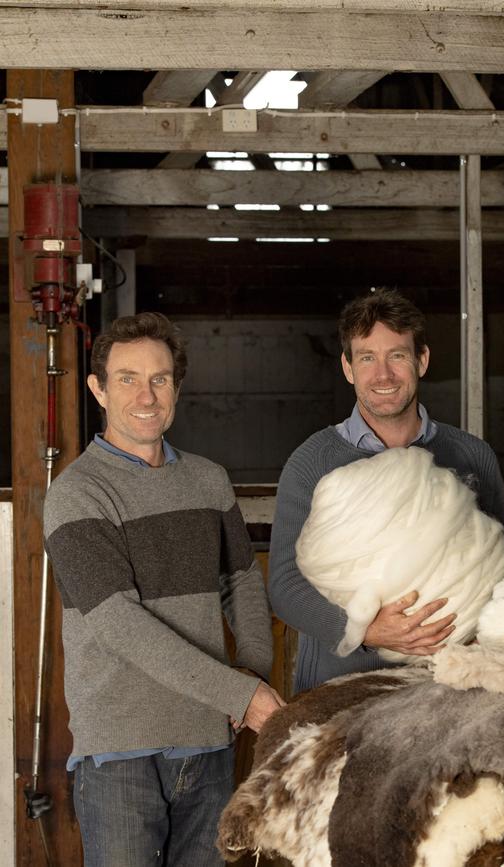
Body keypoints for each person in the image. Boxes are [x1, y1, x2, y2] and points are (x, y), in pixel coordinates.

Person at [44, 312, 284, 867]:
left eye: (160, 378)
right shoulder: (78, 494)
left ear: (177, 386)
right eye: (127, 378)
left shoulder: (208, 479)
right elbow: (119, 623)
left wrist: (250, 670)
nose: (146, 395)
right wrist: (239, 696)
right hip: (120, 753)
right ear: (97, 388)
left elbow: (242, 580)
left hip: (209, 743)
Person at [269, 288, 504, 694]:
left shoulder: (470, 455)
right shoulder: (313, 460)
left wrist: (483, 628)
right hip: (341, 688)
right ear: (348, 367)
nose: (383, 375)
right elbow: (284, 583)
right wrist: (367, 630)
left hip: (448, 685)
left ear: (421, 361)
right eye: (367, 358)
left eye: (397, 356)